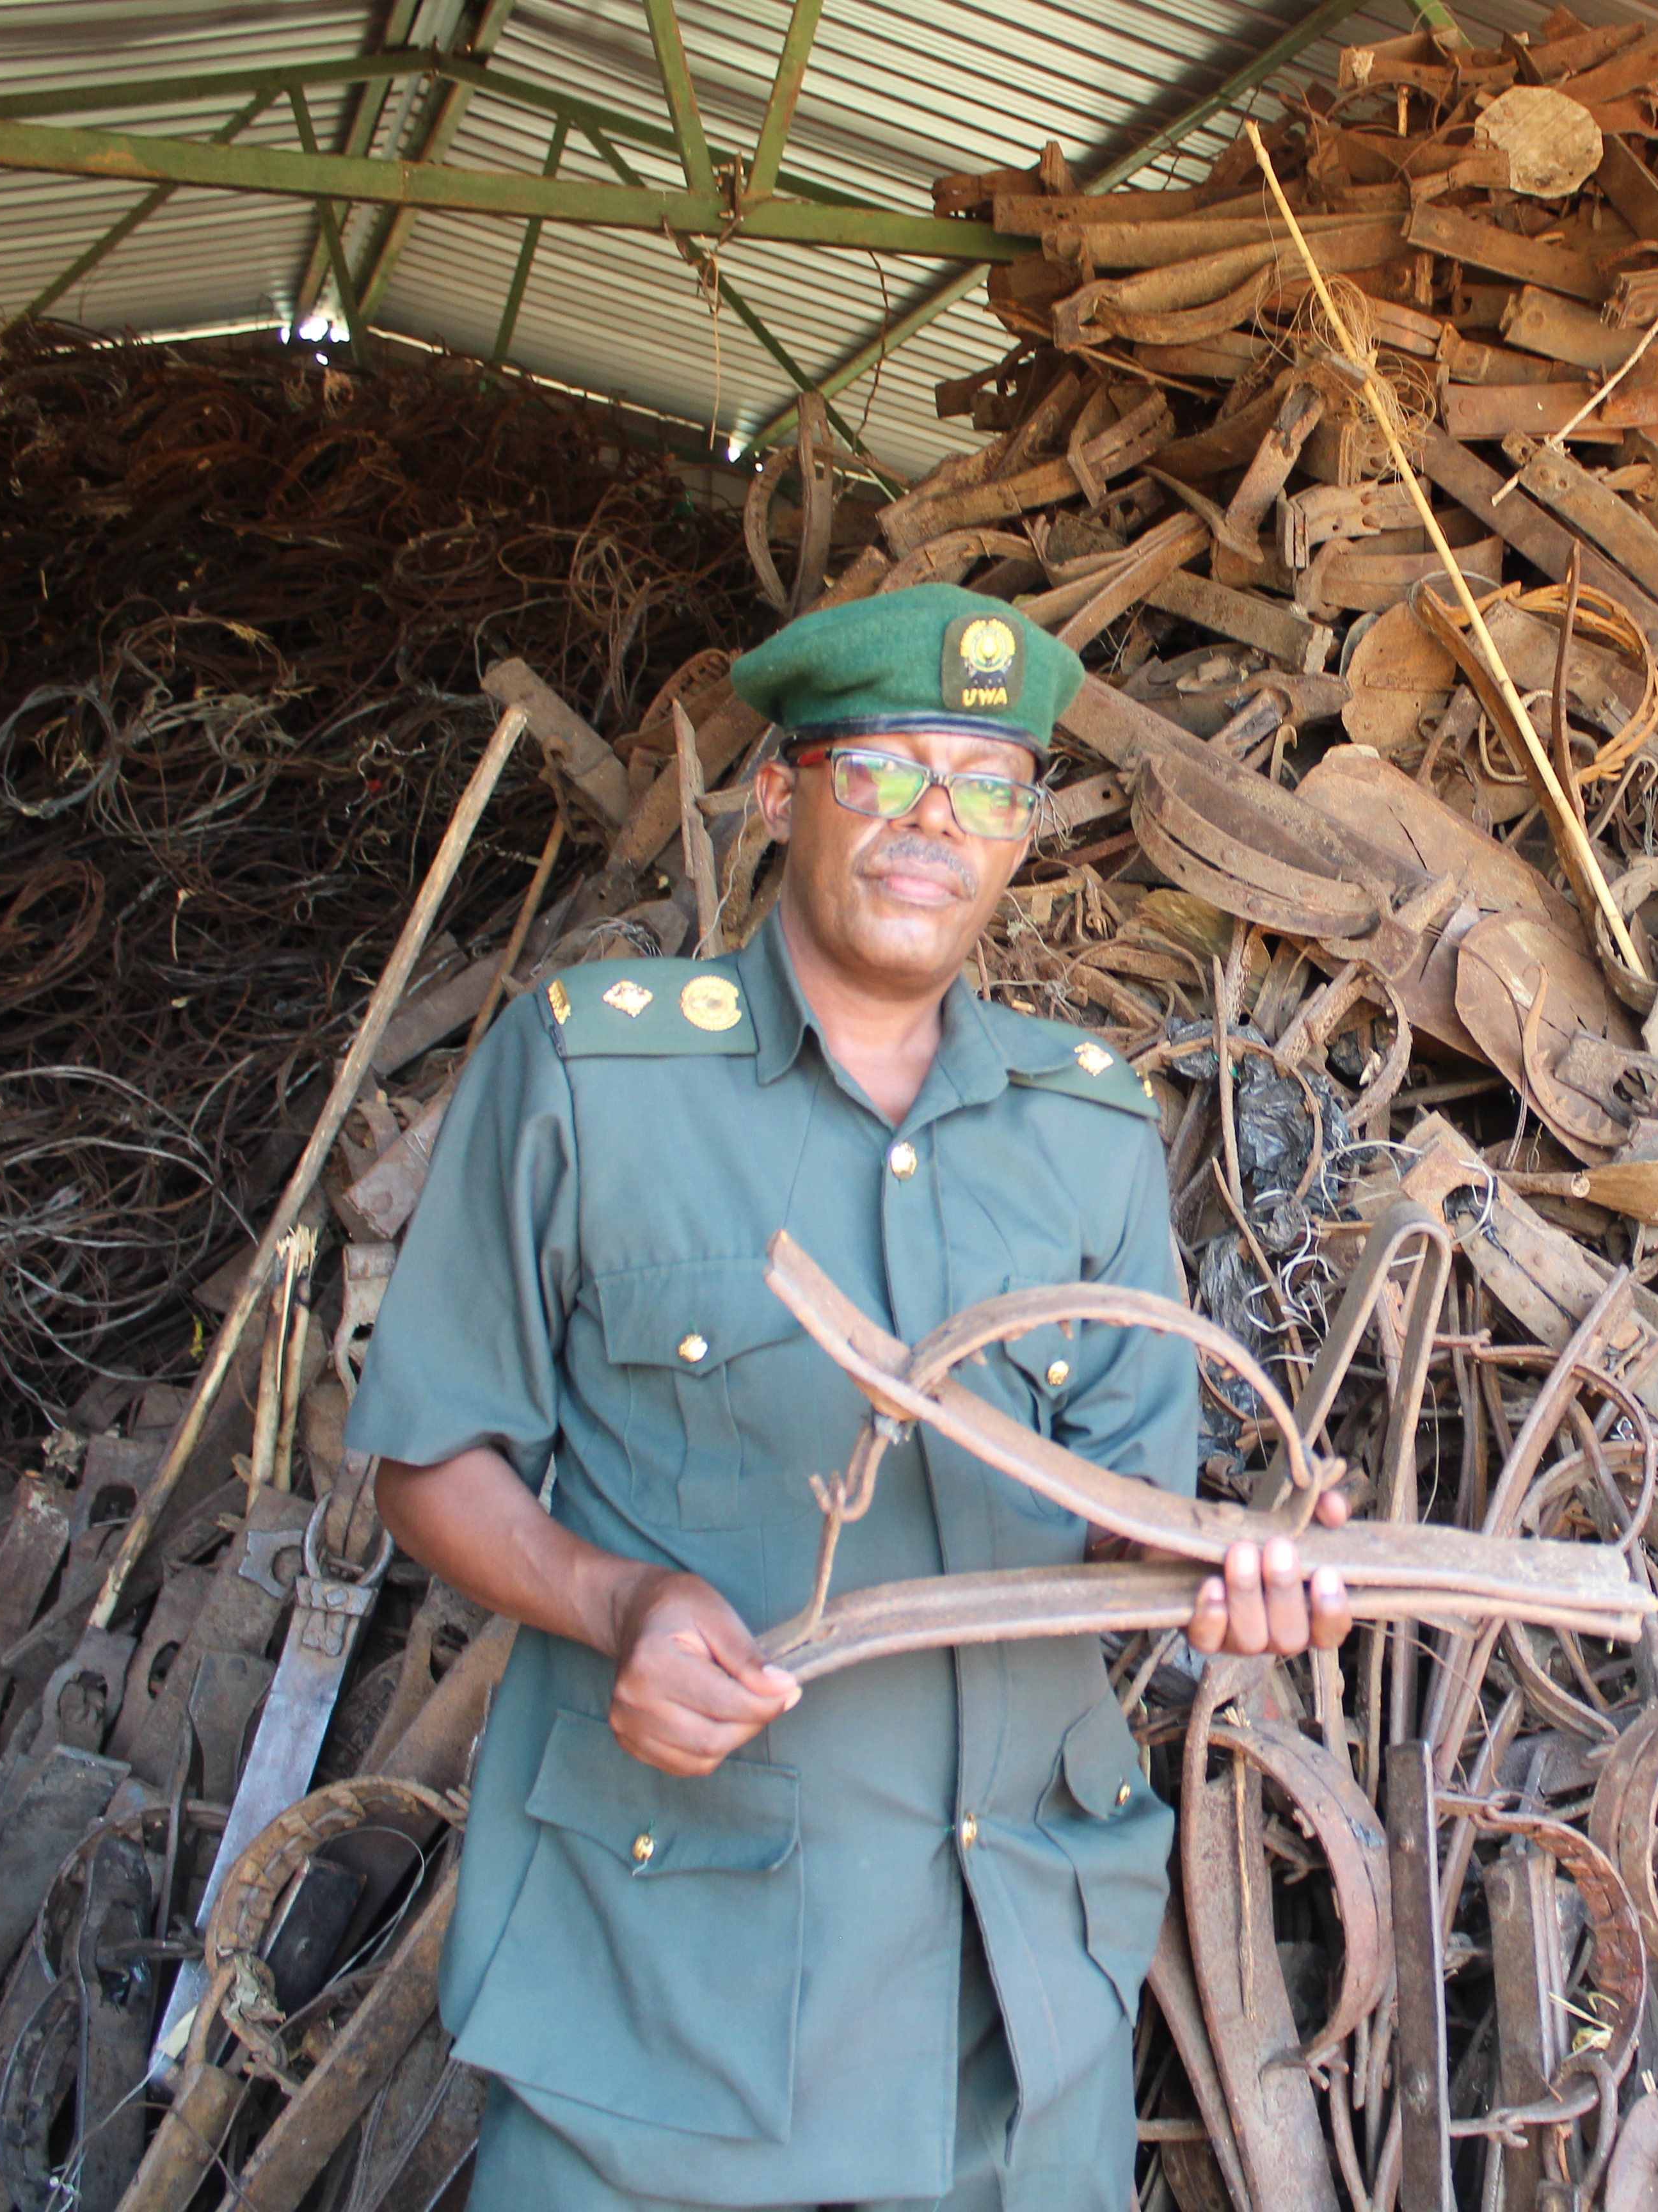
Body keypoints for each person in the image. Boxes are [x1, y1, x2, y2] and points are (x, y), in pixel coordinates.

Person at [345, 584, 1349, 2212]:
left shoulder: (1083, 1129)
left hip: (1009, 2017)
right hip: (666, 2009)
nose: (931, 824)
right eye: (882, 770)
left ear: (1024, 838)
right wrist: (621, 1603)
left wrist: (1235, 1576)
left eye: (984, 788)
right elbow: (426, 1454)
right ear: (779, 794)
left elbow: (1122, 1538)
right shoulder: (592, 1078)